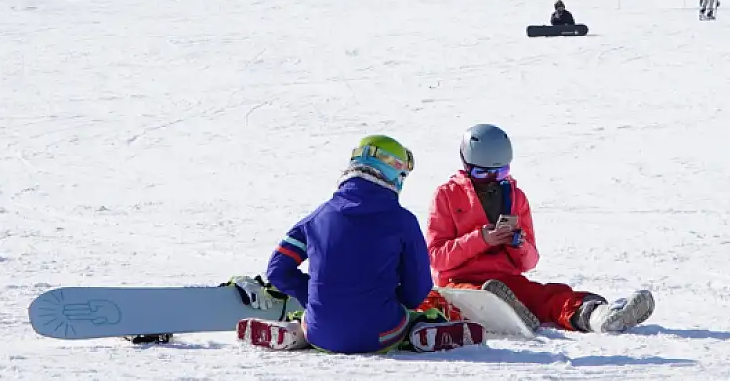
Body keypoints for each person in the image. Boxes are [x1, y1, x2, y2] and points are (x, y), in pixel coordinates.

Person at [255, 135, 480, 353]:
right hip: (381, 333)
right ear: (395, 174)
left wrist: (313, 298)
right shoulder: (403, 221)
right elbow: (417, 292)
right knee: (418, 316)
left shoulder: (315, 219)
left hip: (321, 333)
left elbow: (277, 270)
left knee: (313, 322)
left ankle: (296, 331)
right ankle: (420, 329)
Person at [424, 124, 655, 334]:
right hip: (460, 284)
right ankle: (505, 308)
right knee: (480, 298)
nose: (492, 180)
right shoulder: (446, 195)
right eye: (482, 173)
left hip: (507, 281)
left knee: (548, 296)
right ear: (466, 165)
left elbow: (529, 262)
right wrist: (482, 239)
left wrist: (518, 244)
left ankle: (598, 316)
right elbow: (435, 258)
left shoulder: (516, 198)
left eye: (500, 173)